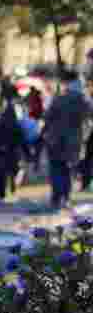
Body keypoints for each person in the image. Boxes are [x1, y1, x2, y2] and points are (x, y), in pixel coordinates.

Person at [42, 71, 90, 211]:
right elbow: (88, 116)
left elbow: (47, 116)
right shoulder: (83, 101)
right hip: (73, 143)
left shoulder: (59, 98)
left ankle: (56, 197)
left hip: (55, 140)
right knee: (68, 170)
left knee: (56, 168)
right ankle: (65, 197)